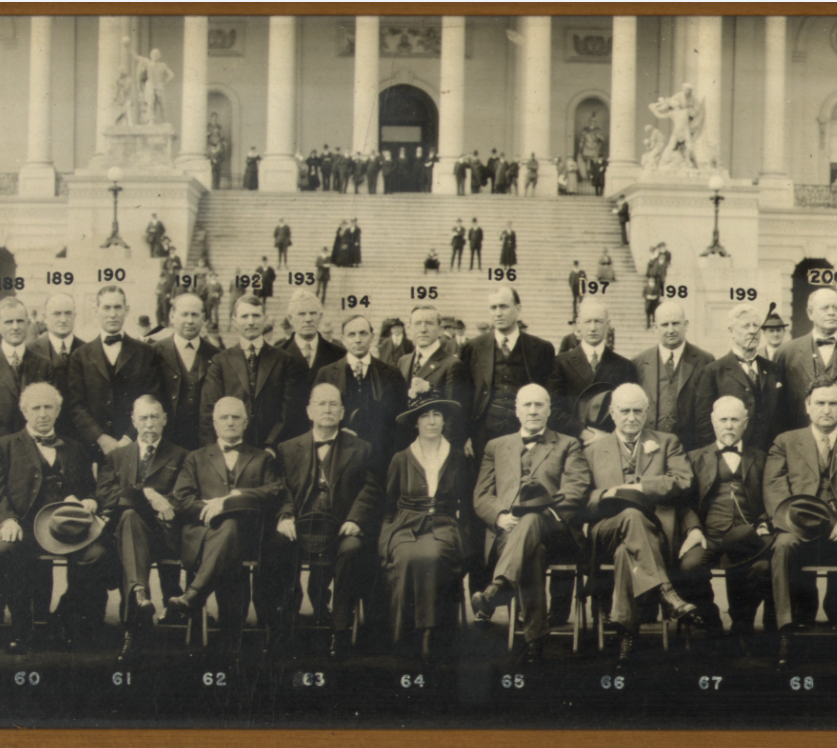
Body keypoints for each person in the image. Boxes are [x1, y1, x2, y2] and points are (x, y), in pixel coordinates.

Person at [583, 383, 702, 666]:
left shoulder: (666, 442)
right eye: (624, 411)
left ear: (647, 412)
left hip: (654, 532)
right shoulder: (592, 450)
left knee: (628, 550)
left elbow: (683, 480)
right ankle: (666, 592)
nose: (631, 417)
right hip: (606, 530)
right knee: (630, 518)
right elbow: (581, 499)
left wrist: (639, 486)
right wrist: (607, 494)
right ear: (612, 413)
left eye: (638, 411)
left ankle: (627, 635)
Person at [472, 383, 591, 661]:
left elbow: (576, 488)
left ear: (549, 410)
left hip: (556, 530)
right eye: (527, 405)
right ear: (517, 411)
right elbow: (482, 495)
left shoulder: (569, 444)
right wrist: (501, 517)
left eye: (539, 405)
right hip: (510, 533)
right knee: (531, 552)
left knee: (533, 519)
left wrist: (544, 512)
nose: (533, 410)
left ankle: (498, 587)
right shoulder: (496, 446)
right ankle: (535, 638)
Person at [266, 383, 382, 660]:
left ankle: (339, 629)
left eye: (333, 404)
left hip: (341, 526)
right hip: (301, 523)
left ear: (342, 412)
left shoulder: (362, 448)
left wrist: (355, 519)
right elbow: (279, 488)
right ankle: (286, 625)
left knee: (353, 549)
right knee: (277, 544)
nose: (327, 409)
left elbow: (372, 488)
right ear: (309, 411)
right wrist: (284, 516)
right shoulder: (287, 448)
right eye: (321, 404)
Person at [0, 383, 110, 652]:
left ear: (58, 410)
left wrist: (90, 500)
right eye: (35, 407)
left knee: (96, 555)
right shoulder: (6, 446)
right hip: (24, 526)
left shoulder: (75, 448)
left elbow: (89, 488)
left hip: (67, 529)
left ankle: (61, 618)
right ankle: (22, 628)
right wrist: (7, 519)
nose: (42, 413)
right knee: (7, 549)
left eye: (48, 406)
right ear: (24, 411)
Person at [171, 396, 282, 658]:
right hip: (204, 533)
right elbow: (181, 499)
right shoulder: (195, 458)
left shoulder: (262, 458)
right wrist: (208, 509)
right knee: (228, 533)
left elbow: (274, 491)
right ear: (214, 422)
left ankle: (195, 595)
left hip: (246, 535)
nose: (230, 422)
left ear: (245, 422)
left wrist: (232, 499)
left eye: (236, 417)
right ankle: (230, 641)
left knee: (232, 526)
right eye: (224, 417)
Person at [380, 382, 470, 664]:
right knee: (406, 558)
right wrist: (385, 541)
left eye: (437, 415)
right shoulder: (400, 459)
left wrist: (464, 541)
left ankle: (433, 636)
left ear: (444, 420)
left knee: (434, 557)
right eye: (424, 416)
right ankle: (404, 637)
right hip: (405, 526)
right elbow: (388, 507)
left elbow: (465, 505)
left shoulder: (456, 456)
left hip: (443, 525)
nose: (431, 422)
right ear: (415, 422)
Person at [96, 395, 189, 663]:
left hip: (166, 535)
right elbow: (105, 494)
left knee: (128, 520)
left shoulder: (181, 455)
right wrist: (147, 494)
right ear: (133, 421)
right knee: (129, 520)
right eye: (143, 418)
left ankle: (134, 618)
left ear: (164, 419)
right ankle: (138, 603)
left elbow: (182, 497)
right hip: (126, 536)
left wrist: (152, 501)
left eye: (154, 417)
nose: (149, 423)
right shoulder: (115, 457)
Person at [681, 396, 772, 654]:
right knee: (689, 566)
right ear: (713, 422)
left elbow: (770, 496)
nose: (729, 426)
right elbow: (685, 503)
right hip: (708, 534)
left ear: (745, 423)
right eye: (723, 420)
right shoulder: (694, 457)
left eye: (735, 420)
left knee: (764, 566)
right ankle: (711, 620)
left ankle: (742, 620)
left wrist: (764, 522)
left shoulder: (761, 457)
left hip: (749, 533)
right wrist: (694, 529)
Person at [764, 376, 837, 668]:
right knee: (782, 545)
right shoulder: (786, 441)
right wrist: (816, 522)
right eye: (819, 402)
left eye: (833, 403)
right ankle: (786, 629)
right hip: (799, 527)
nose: (827, 409)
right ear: (807, 406)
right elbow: (776, 493)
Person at [460, 286, 555, 464]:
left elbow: (550, 396)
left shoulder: (541, 348)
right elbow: (464, 395)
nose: (498, 313)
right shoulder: (472, 348)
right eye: (493, 308)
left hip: (526, 433)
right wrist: (465, 435)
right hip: (483, 433)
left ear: (518, 309)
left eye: (503, 307)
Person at [200, 295, 306, 452]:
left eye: (256, 316)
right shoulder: (220, 361)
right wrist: (215, 452)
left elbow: (289, 409)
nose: (251, 322)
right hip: (230, 449)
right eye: (245, 316)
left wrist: (271, 445)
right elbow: (209, 410)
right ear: (234, 322)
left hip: (272, 450)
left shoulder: (284, 360)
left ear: (265, 319)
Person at [67, 287, 160, 460]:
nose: (112, 314)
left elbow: (152, 398)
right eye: (106, 308)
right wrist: (100, 438)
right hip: (93, 450)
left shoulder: (146, 353)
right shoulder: (80, 355)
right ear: (96, 311)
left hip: (135, 447)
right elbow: (75, 405)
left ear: (126, 310)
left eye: (117, 307)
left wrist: (128, 438)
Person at [314, 315, 408, 476]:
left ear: (372, 337)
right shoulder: (327, 374)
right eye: (351, 334)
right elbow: (316, 419)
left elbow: (402, 420)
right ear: (342, 339)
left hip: (381, 459)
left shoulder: (392, 374)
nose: (357, 340)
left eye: (363, 334)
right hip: (338, 458)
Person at [548, 299, 638, 443]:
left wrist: (609, 438)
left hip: (611, 443)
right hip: (570, 443)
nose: (593, 328)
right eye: (587, 321)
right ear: (578, 324)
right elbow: (553, 409)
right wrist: (585, 433)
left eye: (598, 321)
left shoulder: (624, 365)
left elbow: (630, 410)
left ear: (608, 324)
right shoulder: (560, 362)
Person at [695, 304, 781, 453]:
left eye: (756, 326)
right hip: (730, 457)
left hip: (769, 457)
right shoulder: (714, 371)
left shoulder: (774, 369)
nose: (753, 331)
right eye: (745, 326)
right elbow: (703, 423)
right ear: (731, 331)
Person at [632, 301, 715, 453]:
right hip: (648, 451)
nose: (670, 330)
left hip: (690, 451)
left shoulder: (705, 361)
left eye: (676, 323)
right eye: (664, 325)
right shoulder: (639, 363)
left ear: (686, 325)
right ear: (655, 327)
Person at [152, 294, 220, 452]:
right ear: (172, 316)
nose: (190, 320)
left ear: (203, 318)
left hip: (202, 444)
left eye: (195, 315)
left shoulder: (216, 355)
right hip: (165, 442)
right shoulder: (154, 352)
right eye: (184, 314)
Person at [397, 306, 469, 449]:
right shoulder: (403, 361)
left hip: (435, 447)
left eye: (429, 323)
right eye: (417, 323)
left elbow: (454, 417)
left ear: (440, 328)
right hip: (407, 446)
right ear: (410, 328)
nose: (423, 329)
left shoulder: (452, 364)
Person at [775, 287, 837, 432]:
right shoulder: (786, 352)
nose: (832, 312)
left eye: (836, 307)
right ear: (810, 313)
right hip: (800, 441)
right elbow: (777, 409)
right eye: (825, 308)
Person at [27, 293, 86, 443]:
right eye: (56, 313)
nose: (63, 319)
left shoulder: (88, 351)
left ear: (75, 316)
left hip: (80, 439)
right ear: (45, 317)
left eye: (68, 313)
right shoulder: (30, 351)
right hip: (41, 438)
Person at [278, 290, 345, 397]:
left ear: (320, 317)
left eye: (313, 313)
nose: (308, 319)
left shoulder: (339, 354)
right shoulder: (277, 355)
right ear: (290, 319)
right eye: (301, 314)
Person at [126, 41, 175, 124]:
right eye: (153, 54)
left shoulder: (162, 65)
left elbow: (171, 74)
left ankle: (165, 121)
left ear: (159, 56)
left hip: (159, 85)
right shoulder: (148, 62)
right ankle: (151, 120)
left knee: (162, 104)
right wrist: (128, 47)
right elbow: (136, 56)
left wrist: (164, 82)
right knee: (150, 104)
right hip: (151, 84)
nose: (154, 56)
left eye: (156, 54)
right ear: (151, 55)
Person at [228, 267, 245, 331]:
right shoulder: (232, 281)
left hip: (238, 298)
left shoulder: (242, 282)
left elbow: (244, 291)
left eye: (238, 273)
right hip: (233, 297)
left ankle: (238, 326)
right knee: (231, 311)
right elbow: (230, 290)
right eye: (236, 273)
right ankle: (229, 325)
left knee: (239, 312)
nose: (237, 274)